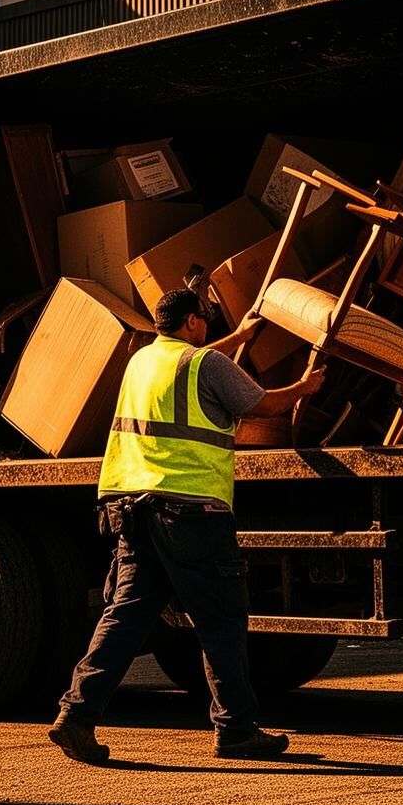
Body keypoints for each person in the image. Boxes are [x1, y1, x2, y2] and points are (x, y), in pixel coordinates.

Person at [48, 287, 325, 764]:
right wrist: (305, 387)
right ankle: (236, 729)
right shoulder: (206, 366)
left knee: (126, 616)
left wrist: (239, 336)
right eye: (207, 319)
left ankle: (76, 716)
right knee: (221, 622)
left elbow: (196, 366)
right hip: (193, 514)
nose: (209, 326)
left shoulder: (143, 361)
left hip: (133, 509)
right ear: (193, 322)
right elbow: (261, 404)